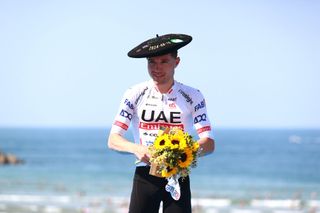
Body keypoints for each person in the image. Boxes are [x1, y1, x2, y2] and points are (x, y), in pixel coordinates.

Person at [108, 33, 215, 213]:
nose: (157, 68)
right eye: (152, 62)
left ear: (177, 62)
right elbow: (113, 140)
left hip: (178, 175)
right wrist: (137, 149)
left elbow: (209, 144)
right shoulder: (134, 93)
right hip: (145, 176)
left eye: (164, 61)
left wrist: (186, 151)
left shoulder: (193, 96)